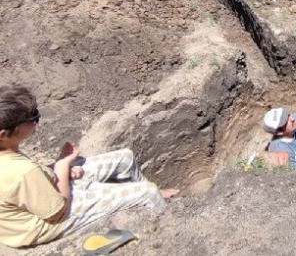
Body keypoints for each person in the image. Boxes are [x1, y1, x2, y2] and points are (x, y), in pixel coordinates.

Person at [0, 85, 178, 249]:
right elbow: (57, 210)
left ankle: (146, 195)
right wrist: (62, 165)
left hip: (42, 195)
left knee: (125, 158)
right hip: (47, 224)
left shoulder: (7, 152)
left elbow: (30, 182)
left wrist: (61, 170)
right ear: (4, 135)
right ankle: (173, 227)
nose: (36, 122)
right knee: (148, 191)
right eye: (33, 118)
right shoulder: (21, 172)